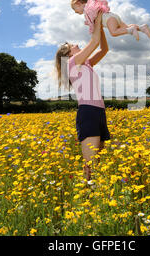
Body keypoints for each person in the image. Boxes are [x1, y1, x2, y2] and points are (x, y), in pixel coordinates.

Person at [54, 11, 111, 181]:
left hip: (100, 112)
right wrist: (97, 19)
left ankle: (94, 193)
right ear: (69, 54)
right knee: (91, 162)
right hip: (88, 114)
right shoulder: (73, 63)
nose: (76, 44)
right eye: (72, 45)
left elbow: (104, 48)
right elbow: (93, 42)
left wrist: (100, 27)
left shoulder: (86, 63)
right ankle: (87, 194)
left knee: (98, 161)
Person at [71, 0, 150, 41]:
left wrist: (90, 25)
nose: (75, 12)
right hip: (112, 16)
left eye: (75, 9)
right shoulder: (91, 5)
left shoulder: (87, 10)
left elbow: (93, 21)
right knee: (125, 28)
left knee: (114, 33)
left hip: (108, 19)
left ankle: (132, 30)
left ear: (78, 4)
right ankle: (142, 28)